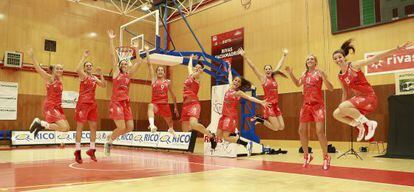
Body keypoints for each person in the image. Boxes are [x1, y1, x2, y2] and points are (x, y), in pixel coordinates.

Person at [332, 39, 413, 141]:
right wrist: (343, 109)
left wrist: (396, 49)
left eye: (340, 57)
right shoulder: (340, 76)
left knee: (342, 106)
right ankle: (358, 125)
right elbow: (345, 92)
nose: (338, 59)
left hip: (369, 96)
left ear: (344, 57)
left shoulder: (354, 65)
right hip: (358, 99)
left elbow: (375, 58)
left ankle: (369, 123)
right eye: (335, 58)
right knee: (336, 114)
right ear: (334, 61)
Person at [285, 54, 334, 170]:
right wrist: (291, 73)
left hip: (318, 106)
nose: (309, 60)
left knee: (320, 132)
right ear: (306, 62)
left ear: (315, 62)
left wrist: (325, 78)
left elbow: (331, 88)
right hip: (306, 106)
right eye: (308, 59)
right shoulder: (304, 74)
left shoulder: (320, 73)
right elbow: (297, 84)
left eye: (312, 59)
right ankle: (307, 156)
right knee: (301, 131)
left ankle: (326, 157)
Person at [216, 62, 270, 156]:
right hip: (224, 115)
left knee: (225, 137)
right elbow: (229, 77)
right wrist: (229, 68)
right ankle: (236, 135)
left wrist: (261, 102)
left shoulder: (238, 92)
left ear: (240, 85)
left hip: (230, 116)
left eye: (238, 82)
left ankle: (246, 144)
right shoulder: (229, 88)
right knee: (218, 135)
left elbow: (250, 98)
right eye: (235, 80)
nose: (236, 82)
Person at [104, 30, 143, 156]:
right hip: (116, 103)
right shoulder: (116, 73)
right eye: (123, 63)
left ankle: (111, 137)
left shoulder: (129, 75)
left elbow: (138, 62)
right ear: (120, 65)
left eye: (126, 63)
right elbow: (112, 56)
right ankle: (109, 142)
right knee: (121, 127)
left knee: (130, 127)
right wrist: (111, 39)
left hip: (126, 103)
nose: (125, 64)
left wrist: (136, 48)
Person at [28, 49, 71, 137]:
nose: (59, 70)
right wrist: (33, 57)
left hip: (58, 107)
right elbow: (39, 70)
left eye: (61, 69)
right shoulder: (50, 78)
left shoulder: (60, 80)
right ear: (53, 70)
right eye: (57, 68)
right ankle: (40, 123)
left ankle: (42, 126)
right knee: (63, 127)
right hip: (51, 106)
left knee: (67, 129)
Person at [74, 50, 106, 163]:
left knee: (93, 127)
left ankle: (92, 149)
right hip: (83, 104)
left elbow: (104, 85)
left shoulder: (93, 78)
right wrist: (84, 57)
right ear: (85, 68)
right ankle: (77, 151)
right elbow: (77, 69)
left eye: (90, 66)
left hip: (92, 104)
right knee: (80, 128)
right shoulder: (83, 76)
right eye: (87, 66)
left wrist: (101, 74)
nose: (89, 67)